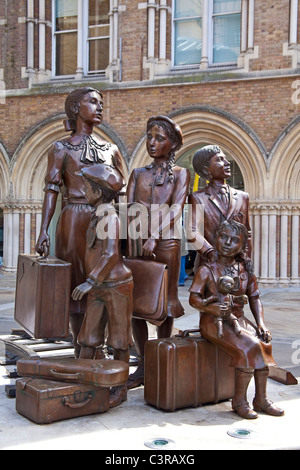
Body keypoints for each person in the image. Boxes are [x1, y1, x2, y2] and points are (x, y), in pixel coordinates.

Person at [35, 87, 124, 357]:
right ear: (75, 108)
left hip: (106, 219)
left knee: (104, 280)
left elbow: (121, 192)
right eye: (93, 102)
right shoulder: (61, 148)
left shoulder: (111, 149)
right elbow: (51, 190)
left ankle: (100, 342)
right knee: (77, 283)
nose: (99, 107)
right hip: (73, 218)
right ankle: (81, 346)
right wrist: (43, 231)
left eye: (101, 103)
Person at [189, 219, 284, 419]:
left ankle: (261, 399)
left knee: (264, 344)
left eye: (234, 240)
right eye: (223, 237)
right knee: (249, 347)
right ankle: (239, 401)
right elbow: (194, 299)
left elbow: (255, 297)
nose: (227, 242)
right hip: (213, 322)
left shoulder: (244, 269)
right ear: (216, 238)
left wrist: (261, 323)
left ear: (242, 245)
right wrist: (213, 308)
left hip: (238, 320)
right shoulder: (207, 270)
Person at [126, 115, 190, 389]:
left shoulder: (180, 174)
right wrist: (132, 238)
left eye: (159, 138)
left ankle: (162, 357)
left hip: (166, 244)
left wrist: (154, 235)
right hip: (136, 245)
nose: (152, 143)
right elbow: (128, 208)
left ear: (172, 143)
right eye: (149, 137)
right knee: (135, 305)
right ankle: (142, 362)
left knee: (165, 304)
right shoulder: (138, 174)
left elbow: (176, 208)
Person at [71, 164, 133, 407]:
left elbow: (110, 255)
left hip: (116, 286)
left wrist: (90, 281)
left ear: (97, 192)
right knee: (88, 336)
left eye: (86, 187)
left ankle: (121, 387)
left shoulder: (110, 217)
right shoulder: (96, 214)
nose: (83, 190)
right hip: (98, 285)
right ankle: (82, 379)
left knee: (120, 340)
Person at [187, 145, 251, 272]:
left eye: (225, 159)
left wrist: (247, 261)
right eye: (220, 159)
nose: (227, 163)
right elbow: (192, 232)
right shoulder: (197, 198)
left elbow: (247, 234)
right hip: (209, 266)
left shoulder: (242, 197)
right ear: (206, 170)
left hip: (236, 266)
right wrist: (210, 253)